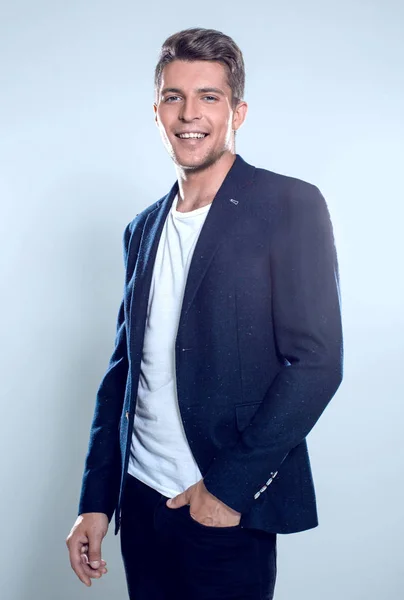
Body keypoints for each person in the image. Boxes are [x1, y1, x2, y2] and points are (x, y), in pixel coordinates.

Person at [66, 27, 343, 600]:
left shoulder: (289, 205)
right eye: (174, 96)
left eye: (209, 97)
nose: (189, 113)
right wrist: (96, 500)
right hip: (138, 501)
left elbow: (316, 362)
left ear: (237, 110)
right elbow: (123, 370)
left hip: (220, 502)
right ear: (157, 110)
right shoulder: (142, 229)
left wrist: (228, 490)